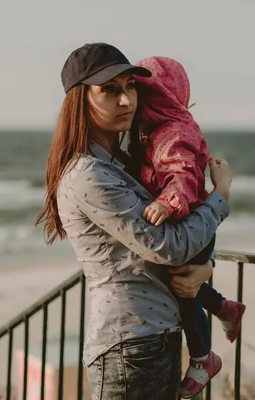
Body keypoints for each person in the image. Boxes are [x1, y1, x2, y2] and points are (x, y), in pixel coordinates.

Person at [35, 42, 232, 400]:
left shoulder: (124, 164)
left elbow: (161, 245)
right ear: (80, 99)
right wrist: (220, 198)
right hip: (129, 345)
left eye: (130, 87)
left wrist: (205, 269)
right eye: (110, 90)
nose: (126, 100)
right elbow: (167, 247)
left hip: (156, 337)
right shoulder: (90, 176)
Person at [129, 56, 246, 398]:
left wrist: (167, 203)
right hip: (188, 221)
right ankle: (226, 308)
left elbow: (180, 174)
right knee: (182, 279)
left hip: (189, 219)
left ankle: (202, 357)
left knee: (184, 292)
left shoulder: (174, 131)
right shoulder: (152, 130)